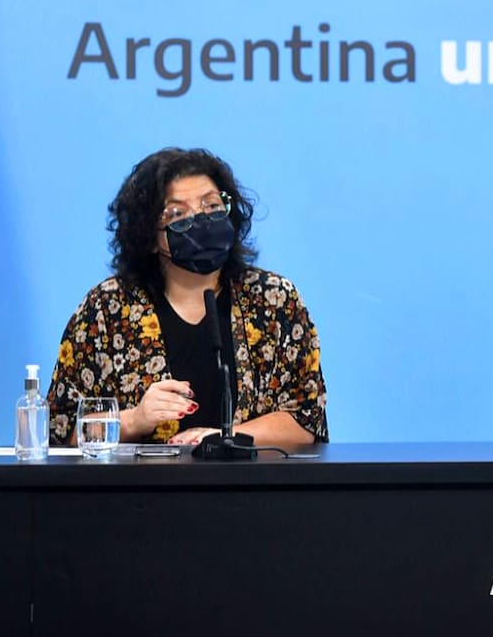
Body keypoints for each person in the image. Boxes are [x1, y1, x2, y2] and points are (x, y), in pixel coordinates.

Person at [48, 148, 327, 446]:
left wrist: (225, 438)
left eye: (211, 206)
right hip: (140, 491)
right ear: (149, 235)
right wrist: (135, 419)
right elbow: (62, 431)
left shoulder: (274, 300)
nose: (201, 221)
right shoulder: (107, 309)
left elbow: (306, 422)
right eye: (177, 214)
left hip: (250, 490)